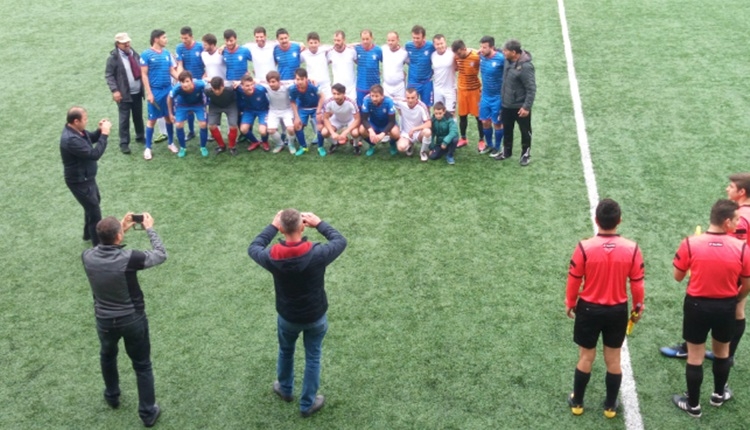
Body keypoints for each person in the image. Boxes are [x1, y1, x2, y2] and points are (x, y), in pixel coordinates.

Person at [248, 209, 347, 418]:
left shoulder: (271, 256)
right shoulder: (318, 254)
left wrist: (272, 226)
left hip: (288, 317)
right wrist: (319, 223)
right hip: (315, 317)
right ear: (303, 226)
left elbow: (254, 247)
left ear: (281, 229)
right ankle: (307, 404)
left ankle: (285, 389)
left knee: (286, 351)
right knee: (313, 357)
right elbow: (340, 240)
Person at [82, 213, 166, 427]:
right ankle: (148, 412)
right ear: (119, 236)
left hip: (104, 321)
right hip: (132, 320)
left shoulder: (87, 256)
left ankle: (112, 395)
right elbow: (160, 254)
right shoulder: (129, 258)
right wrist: (149, 228)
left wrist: (119, 228)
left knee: (107, 355)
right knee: (142, 365)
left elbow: (105, 243)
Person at [566, 198, 645, 419]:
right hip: (617, 311)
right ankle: (610, 406)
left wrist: (570, 303)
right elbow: (637, 284)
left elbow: (574, 279)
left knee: (585, 356)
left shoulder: (584, 247)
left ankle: (578, 402)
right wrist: (637, 309)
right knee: (613, 359)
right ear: (619, 220)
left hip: (589, 310)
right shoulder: (632, 248)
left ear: (596, 219)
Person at [671, 199, 750, 417]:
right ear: (726, 222)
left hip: (697, 306)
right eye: (735, 219)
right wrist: (737, 297)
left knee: (695, 357)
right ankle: (717, 396)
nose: (738, 223)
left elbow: (677, 277)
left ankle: (693, 405)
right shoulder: (742, 248)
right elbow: (747, 283)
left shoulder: (690, 243)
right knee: (722, 353)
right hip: (726, 307)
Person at [662, 174, 750, 366]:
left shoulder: (741, 218)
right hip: (743, 268)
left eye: (731, 186)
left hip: (734, 270)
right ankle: (726, 354)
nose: (727, 189)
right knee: (738, 310)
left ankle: (698, 350)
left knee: (722, 308)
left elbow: (733, 245)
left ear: (742, 192)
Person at [60, 107, 111, 246]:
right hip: (79, 181)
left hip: (86, 178)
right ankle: (99, 247)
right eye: (85, 119)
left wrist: (100, 131)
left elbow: (92, 137)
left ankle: (87, 234)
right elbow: (94, 154)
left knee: (93, 204)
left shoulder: (77, 131)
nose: (86, 121)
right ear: (76, 121)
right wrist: (105, 135)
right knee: (94, 211)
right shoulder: (71, 140)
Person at [140, 29, 179, 160]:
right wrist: (149, 93)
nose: (166, 40)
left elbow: (171, 71)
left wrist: (182, 79)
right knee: (152, 120)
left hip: (168, 90)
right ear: (156, 39)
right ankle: (148, 147)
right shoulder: (146, 54)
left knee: (169, 117)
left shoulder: (167, 54)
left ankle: (170, 143)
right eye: (164, 37)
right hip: (155, 91)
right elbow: (144, 75)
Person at [496, 39, 536, 166]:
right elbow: (496, 50)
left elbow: (531, 88)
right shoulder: (508, 60)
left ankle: (525, 153)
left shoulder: (525, 67)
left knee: (525, 130)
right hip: (506, 104)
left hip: (520, 106)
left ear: (514, 52)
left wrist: (526, 107)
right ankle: (507, 151)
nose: (503, 52)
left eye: (505, 51)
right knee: (507, 128)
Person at [105, 32, 144, 154]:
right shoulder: (113, 58)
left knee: (138, 115)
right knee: (124, 119)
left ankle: (140, 135)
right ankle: (124, 143)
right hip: (124, 94)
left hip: (137, 91)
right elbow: (109, 75)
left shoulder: (133, 53)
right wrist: (115, 90)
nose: (127, 44)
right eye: (124, 43)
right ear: (118, 44)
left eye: (128, 42)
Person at [451, 39, 484, 150]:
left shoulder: (476, 56)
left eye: (459, 53)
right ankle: (463, 138)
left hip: (474, 90)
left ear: (464, 49)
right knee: (462, 116)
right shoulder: (456, 56)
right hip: (462, 90)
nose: (458, 56)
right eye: (456, 54)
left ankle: (481, 140)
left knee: (479, 117)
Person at [167, 71, 208, 157]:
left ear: (192, 80)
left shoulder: (199, 84)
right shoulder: (177, 88)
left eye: (187, 81)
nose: (185, 84)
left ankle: (203, 147)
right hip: (182, 105)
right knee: (178, 125)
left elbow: (208, 82)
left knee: (203, 124)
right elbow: (169, 98)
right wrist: (170, 114)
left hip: (198, 104)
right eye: (182, 82)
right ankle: (183, 148)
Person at [175, 26, 205, 141]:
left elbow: (207, 61)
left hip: (199, 82)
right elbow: (180, 64)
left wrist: (205, 74)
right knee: (188, 107)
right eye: (182, 38)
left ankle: (205, 131)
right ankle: (191, 131)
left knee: (203, 105)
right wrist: (180, 79)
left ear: (192, 37)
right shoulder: (179, 48)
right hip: (187, 83)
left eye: (186, 38)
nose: (184, 41)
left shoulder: (200, 47)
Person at [477, 36, 504, 157]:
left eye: (484, 47)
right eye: (481, 46)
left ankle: (497, 147)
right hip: (485, 96)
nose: (482, 49)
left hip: (497, 97)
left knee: (497, 123)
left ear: (492, 47)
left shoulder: (500, 59)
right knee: (485, 122)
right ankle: (489, 144)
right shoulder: (481, 56)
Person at [289, 68, 326, 157]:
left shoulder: (313, 86)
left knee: (320, 126)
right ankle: (303, 147)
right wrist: (296, 116)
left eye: (302, 79)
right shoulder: (293, 89)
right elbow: (292, 102)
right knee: (297, 125)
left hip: (315, 107)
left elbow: (322, 97)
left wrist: (318, 111)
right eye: (298, 79)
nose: (300, 81)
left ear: (306, 78)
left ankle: (320, 147)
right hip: (303, 108)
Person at [359, 84, 400, 157]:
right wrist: (371, 131)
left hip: (387, 124)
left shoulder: (389, 101)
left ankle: (392, 144)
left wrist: (383, 134)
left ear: (382, 96)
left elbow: (392, 122)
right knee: (362, 129)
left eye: (376, 96)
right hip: (374, 124)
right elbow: (364, 120)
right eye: (372, 96)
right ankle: (372, 144)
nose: (374, 98)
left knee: (396, 132)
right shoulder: (366, 100)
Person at [321, 83, 361, 153]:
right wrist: (332, 133)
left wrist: (346, 132)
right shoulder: (328, 102)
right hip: (337, 119)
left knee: (355, 133)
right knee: (324, 132)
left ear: (344, 93)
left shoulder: (351, 102)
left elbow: (357, 119)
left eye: (338, 94)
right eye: (334, 93)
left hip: (350, 120)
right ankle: (335, 143)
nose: (336, 96)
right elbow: (325, 118)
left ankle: (356, 145)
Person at [393, 88, 431, 159]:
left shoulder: (422, 106)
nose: (410, 100)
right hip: (406, 133)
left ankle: (423, 152)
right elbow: (387, 98)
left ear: (417, 97)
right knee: (400, 147)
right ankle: (410, 144)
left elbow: (429, 123)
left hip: (418, 133)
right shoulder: (401, 102)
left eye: (412, 98)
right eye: (408, 98)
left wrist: (414, 129)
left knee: (428, 132)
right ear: (405, 97)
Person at [204, 76, 239, 155]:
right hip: (215, 106)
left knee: (233, 125)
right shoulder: (207, 90)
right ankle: (221, 145)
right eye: (214, 89)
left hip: (230, 105)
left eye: (218, 89)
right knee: (211, 125)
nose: (216, 91)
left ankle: (232, 146)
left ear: (223, 86)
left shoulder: (230, 87)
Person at [237, 75, 271, 153]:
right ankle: (255, 142)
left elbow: (272, 89)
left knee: (262, 131)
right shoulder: (239, 89)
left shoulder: (261, 89)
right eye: (247, 86)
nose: (250, 87)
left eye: (252, 84)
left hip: (263, 110)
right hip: (249, 110)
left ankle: (265, 142)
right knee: (243, 129)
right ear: (242, 86)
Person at [404, 25, 435, 106]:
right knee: (411, 105)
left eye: (418, 38)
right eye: (413, 38)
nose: (415, 40)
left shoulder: (430, 46)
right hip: (413, 82)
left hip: (426, 82)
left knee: (426, 106)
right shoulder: (408, 46)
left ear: (424, 37)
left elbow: (443, 50)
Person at [354, 30, 383, 108]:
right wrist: (355, 44)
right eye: (363, 39)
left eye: (367, 39)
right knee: (360, 108)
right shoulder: (357, 49)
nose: (365, 41)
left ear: (372, 38)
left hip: (374, 86)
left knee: (376, 108)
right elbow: (344, 46)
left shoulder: (378, 50)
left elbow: (386, 63)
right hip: (361, 86)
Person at [327, 31, 357, 102]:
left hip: (351, 89)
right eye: (334, 40)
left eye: (338, 40)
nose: (336, 42)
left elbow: (360, 63)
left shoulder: (352, 51)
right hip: (337, 89)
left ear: (344, 40)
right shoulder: (330, 53)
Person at [430, 34, 456, 115]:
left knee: (451, 114)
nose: (440, 46)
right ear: (434, 45)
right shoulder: (433, 55)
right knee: (438, 113)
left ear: (445, 43)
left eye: (442, 43)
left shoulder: (452, 53)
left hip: (450, 89)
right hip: (437, 89)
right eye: (437, 44)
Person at [381, 31, 408, 99]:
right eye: (388, 40)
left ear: (398, 40)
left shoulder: (404, 53)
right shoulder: (383, 49)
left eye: (393, 40)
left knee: (401, 108)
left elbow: (412, 64)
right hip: (386, 86)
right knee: (386, 107)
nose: (390, 42)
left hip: (399, 87)